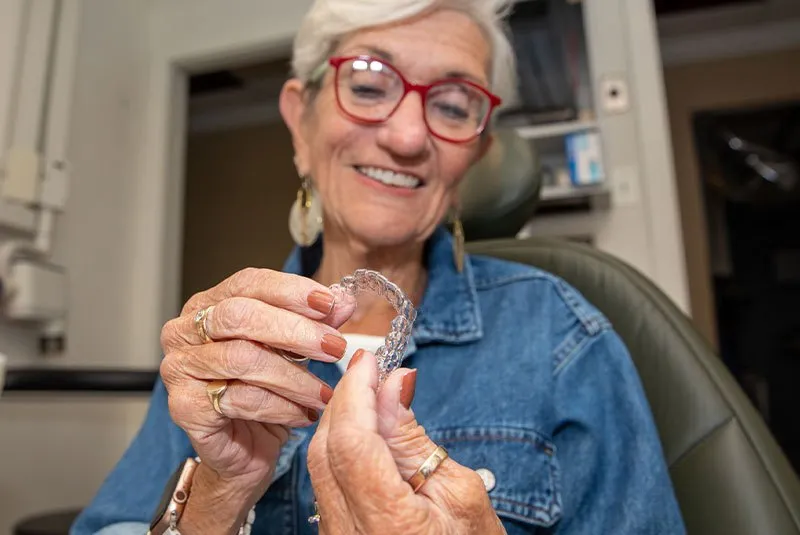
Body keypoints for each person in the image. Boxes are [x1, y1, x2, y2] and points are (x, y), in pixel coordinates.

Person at [72, 0, 686, 533]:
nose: (409, 135)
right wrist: (219, 493)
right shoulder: (223, 337)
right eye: (368, 84)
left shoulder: (561, 339)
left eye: (452, 104)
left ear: (474, 155)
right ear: (301, 122)